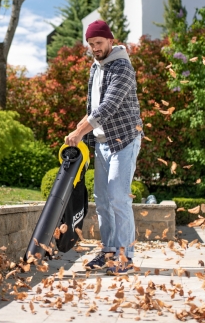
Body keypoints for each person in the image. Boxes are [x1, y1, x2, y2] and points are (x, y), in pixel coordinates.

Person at [64, 19, 143, 275]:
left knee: (119, 197)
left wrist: (79, 130)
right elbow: (93, 107)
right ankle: (109, 251)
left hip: (124, 139)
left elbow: (108, 106)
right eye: (90, 44)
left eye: (98, 42)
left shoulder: (122, 67)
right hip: (101, 143)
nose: (95, 48)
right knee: (103, 200)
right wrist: (84, 128)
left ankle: (125, 257)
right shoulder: (95, 68)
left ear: (110, 40)